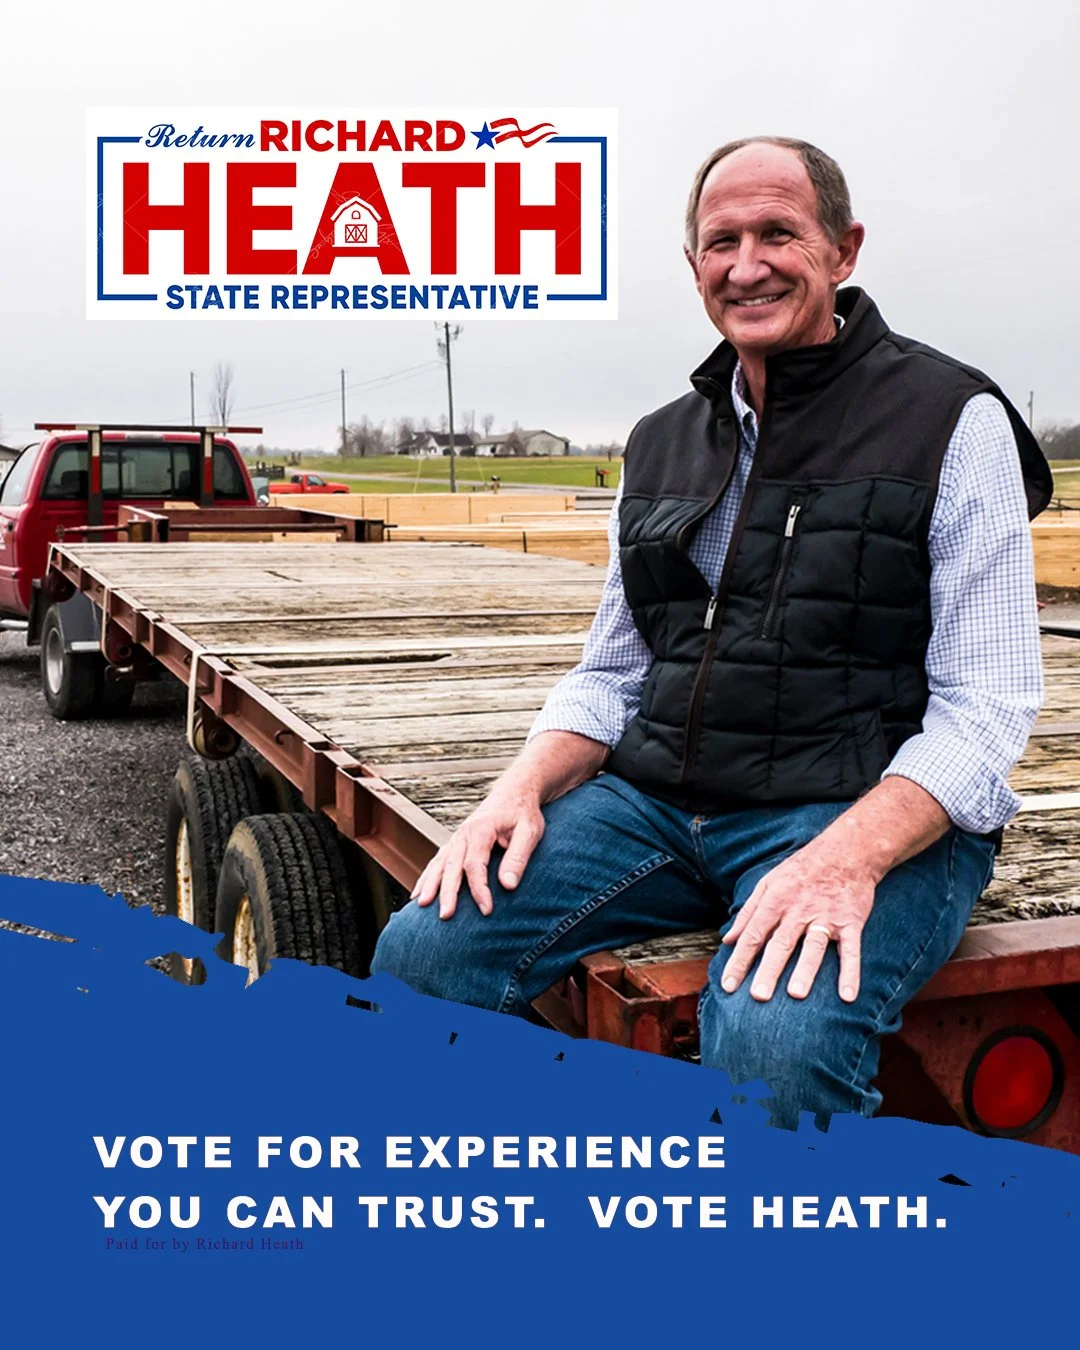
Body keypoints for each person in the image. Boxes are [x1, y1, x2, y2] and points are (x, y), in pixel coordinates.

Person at [372, 137, 1052, 1129]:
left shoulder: (951, 418)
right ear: (693, 266)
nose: (747, 264)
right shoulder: (659, 440)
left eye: (779, 233)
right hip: (661, 806)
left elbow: (986, 712)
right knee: (424, 956)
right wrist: (516, 790)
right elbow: (617, 666)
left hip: (860, 806)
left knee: (773, 1047)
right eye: (720, 241)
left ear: (844, 250)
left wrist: (843, 859)